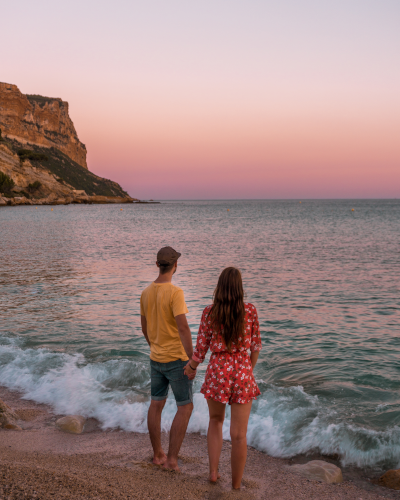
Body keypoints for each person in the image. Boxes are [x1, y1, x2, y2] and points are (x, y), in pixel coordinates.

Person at [184, 267, 262, 489]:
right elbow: (255, 346)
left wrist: (190, 367)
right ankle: (236, 486)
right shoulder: (250, 310)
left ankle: (213, 473)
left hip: (218, 370)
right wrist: (247, 369)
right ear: (240, 288)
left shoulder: (210, 312)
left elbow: (201, 348)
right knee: (239, 435)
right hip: (242, 370)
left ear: (219, 287)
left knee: (215, 422)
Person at [140, 246, 196, 471]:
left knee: (156, 404)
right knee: (185, 407)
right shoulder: (175, 293)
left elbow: (144, 329)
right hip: (177, 359)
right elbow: (183, 328)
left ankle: (157, 455)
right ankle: (171, 460)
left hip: (156, 357)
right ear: (175, 266)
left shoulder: (145, 293)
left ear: (157, 265)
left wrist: (154, 347)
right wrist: (193, 360)